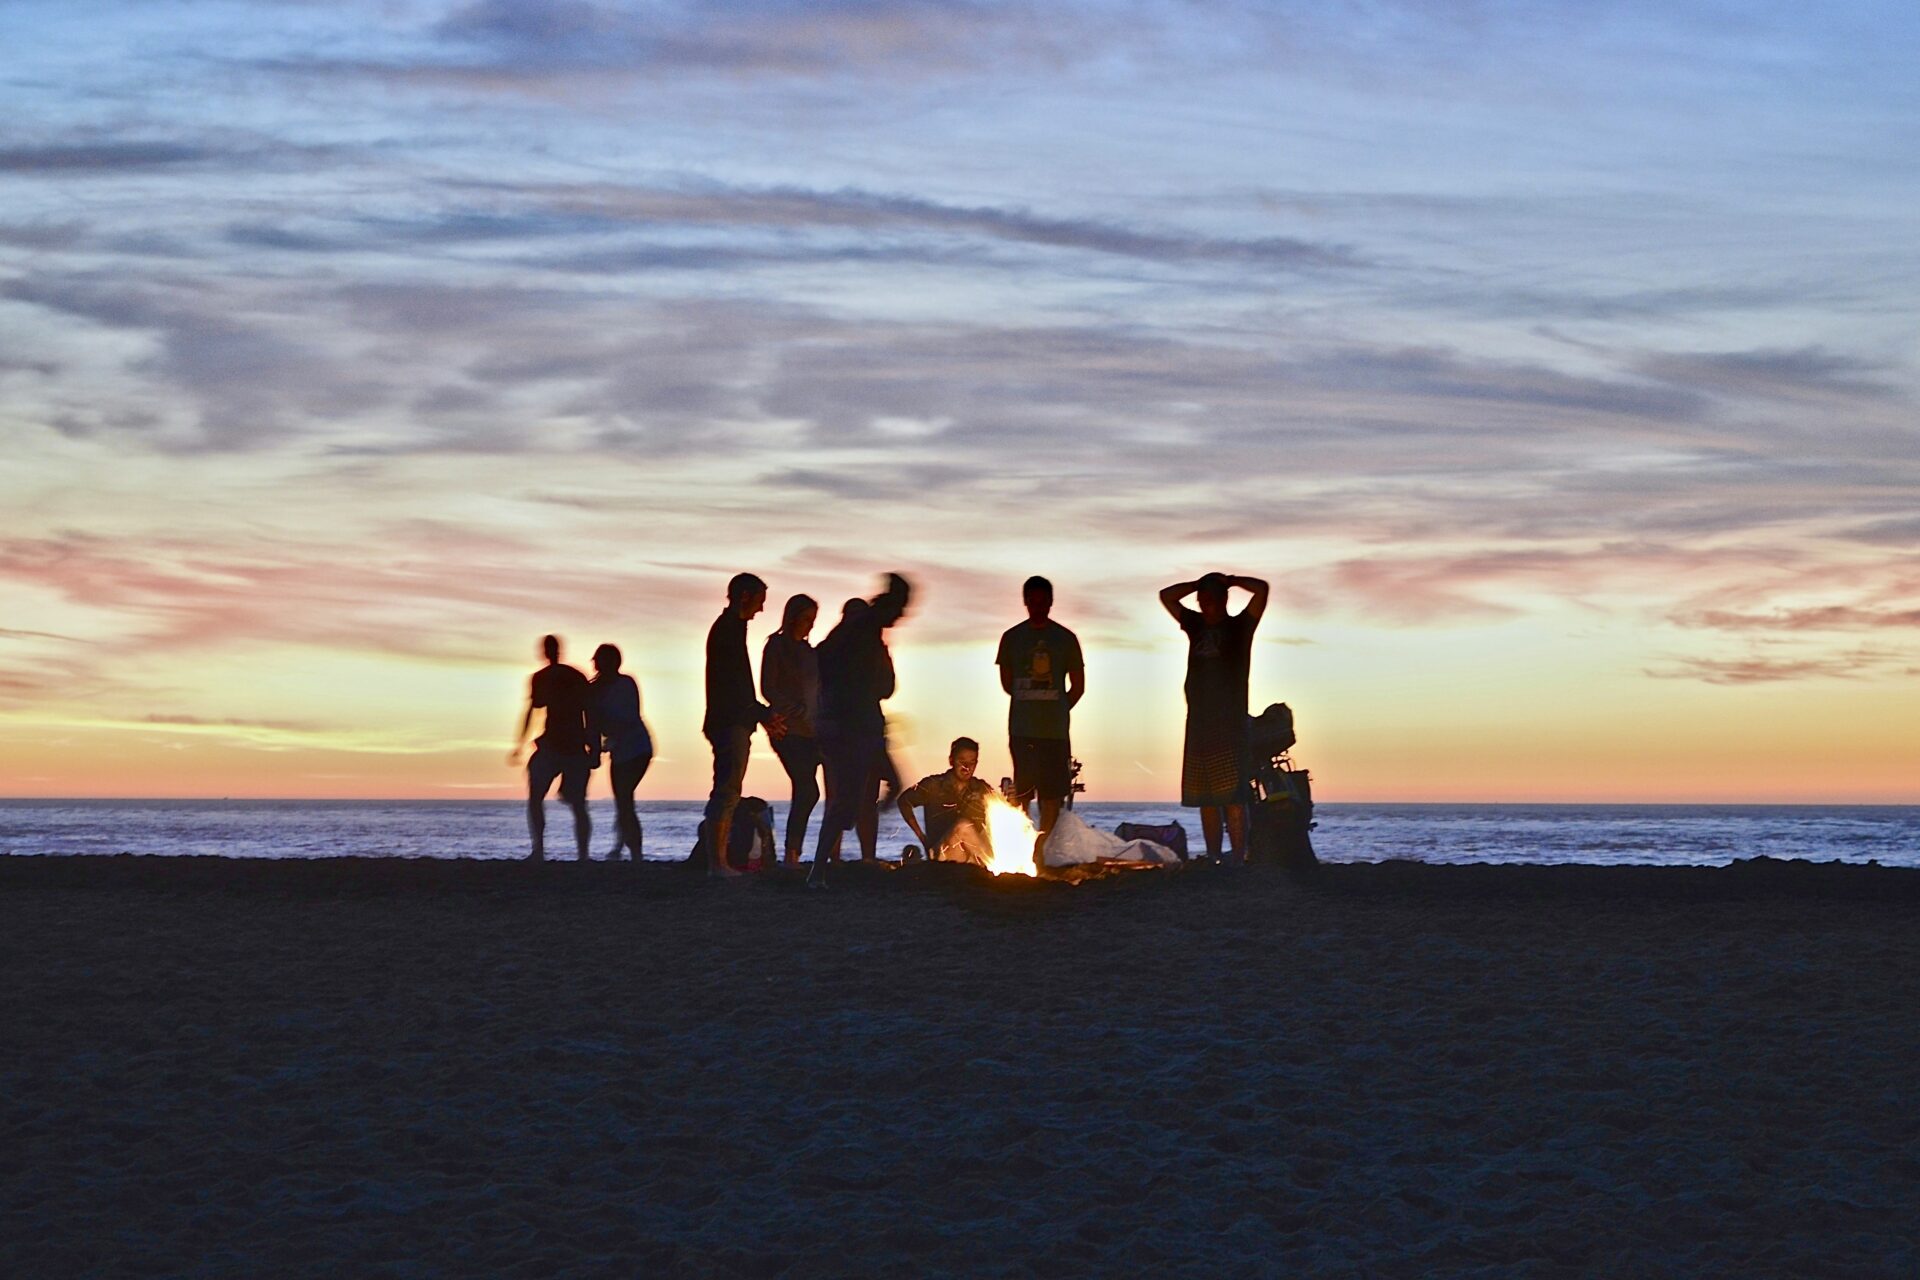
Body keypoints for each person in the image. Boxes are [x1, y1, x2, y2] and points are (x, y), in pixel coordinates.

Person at [808, 574, 912, 888]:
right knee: (846, 803)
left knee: (891, 785)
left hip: (863, 725)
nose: (902, 616)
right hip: (852, 727)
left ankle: (828, 859)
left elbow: (885, 686)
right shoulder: (860, 630)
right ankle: (817, 871)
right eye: (901, 608)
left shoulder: (863, 637)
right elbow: (879, 685)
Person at [1159, 572, 1269, 863]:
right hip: (1198, 722)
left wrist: (1231, 579)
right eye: (1201, 599)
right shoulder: (1194, 625)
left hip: (1229, 722)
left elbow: (1262, 590)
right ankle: (1213, 855)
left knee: (1233, 796)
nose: (1204, 603)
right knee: (1205, 797)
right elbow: (1166, 595)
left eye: (1210, 598)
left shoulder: (1239, 627)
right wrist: (1197, 584)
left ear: (1223, 600)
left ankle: (1238, 855)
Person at [994, 576, 1084, 871]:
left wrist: (1058, 708)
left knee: (1052, 794)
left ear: (1050, 601)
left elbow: (1078, 686)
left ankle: (1042, 850)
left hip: (1055, 732)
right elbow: (1007, 683)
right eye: (1032, 600)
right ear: (1025, 601)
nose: (1037, 606)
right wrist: (1031, 700)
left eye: (1042, 600)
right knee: (1022, 793)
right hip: (1022, 729)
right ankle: (1020, 849)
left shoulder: (1066, 638)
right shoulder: (1011, 637)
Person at [703, 574, 786, 879]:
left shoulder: (732, 629)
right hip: (729, 721)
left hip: (732, 719)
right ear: (745, 597)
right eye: (760, 601)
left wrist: (759, 715)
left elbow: (739, 687)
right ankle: (717, 864)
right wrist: (760, 714)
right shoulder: (727, 630)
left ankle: (719, 862)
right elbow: (734, 686)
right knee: (727, 790)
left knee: (729, 789)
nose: (761, 610)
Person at [508, 634, 599, 861]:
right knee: (540, 798)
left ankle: (580, 855)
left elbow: (589, 712)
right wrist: (520, 743)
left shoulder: (570, 676)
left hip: (572, 746)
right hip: (553, 745)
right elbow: (533, 709)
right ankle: (540, 849)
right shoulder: (545, 678)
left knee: (576, 803)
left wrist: (594, 746)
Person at [761, 594, 822, 865]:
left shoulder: (810, 653)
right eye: (806, 618)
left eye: (813, 620)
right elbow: (767, 688)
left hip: (812, 731)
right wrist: (795, 709)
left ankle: (794, 854)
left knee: (807, 790)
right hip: (787, 729)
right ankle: (791, 854)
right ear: (793, 617)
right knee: (808, 790)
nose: (810, 625)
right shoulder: (776, 646)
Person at [591, 642, 653, 861]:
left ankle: (634, 851)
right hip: (619, 750)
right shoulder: (596, 689)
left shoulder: (625, 684)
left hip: (637, 748)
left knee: (625, 799)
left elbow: (629, 717)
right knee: (623, 800)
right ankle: (621, 846)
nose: (595, 664)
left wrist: (602, 741)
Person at [897, 737, 996, 867]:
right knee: (963, 826)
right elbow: (904, 801)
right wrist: (922, 838)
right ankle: (995, 866)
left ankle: (991, 864)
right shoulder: (933, 785)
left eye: (972, 762)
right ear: (951, 761)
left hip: (973, 855)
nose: (967, 767)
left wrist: (1010, 797)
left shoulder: (981, 788)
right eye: (962, 761)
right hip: (944, 854)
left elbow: (1004, 811)